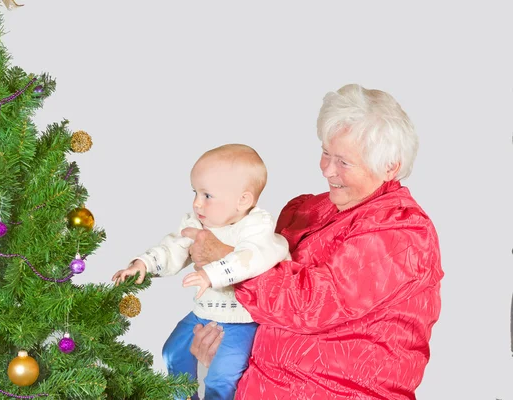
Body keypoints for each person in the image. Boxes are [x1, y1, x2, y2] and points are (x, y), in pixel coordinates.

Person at [184, 84, 444, 399]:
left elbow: (312, 303)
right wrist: (228, 353)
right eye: (325, 153)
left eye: (344, 162)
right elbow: (266, 317)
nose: (326, 169)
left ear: (390, 167)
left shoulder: (401, 231)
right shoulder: (305, 210)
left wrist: (224, 258)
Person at [112, 143, 290, 400]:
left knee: (222, 376)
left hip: (242, 321)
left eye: (207, 195)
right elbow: (173, 246)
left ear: (243, 200)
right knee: (172, 351)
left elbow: (250, 258)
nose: (197, 203)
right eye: (195, 192)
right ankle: (182, 396)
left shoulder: (256, 226)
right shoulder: (198, 223)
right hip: (203, 313)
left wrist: (211, 274)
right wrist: (143, 263)